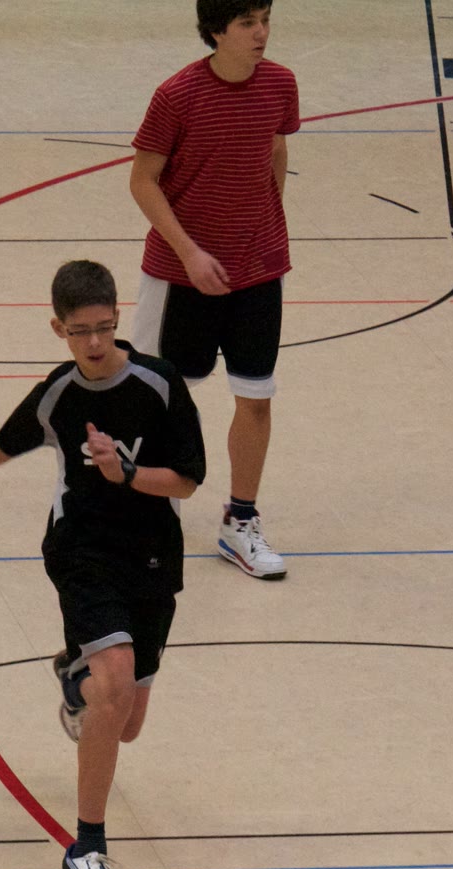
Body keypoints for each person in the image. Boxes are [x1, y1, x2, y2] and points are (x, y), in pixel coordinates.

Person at [0, 260, 204, 869]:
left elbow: (188, 482)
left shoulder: (160, 384)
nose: (94, 342)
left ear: (118, 317)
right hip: (82, 552)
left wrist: (127, 475)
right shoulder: (58, 394)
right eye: (80, 331)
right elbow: (0, 444)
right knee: (115, 681)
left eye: (104, 327)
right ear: (58, 328)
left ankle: (74, 673)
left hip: (151, 558)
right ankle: (87, 843)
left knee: (126, 722)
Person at [128, 0, 297, 580]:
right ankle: (154, 513)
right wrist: (190, 252)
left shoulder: (280, 83)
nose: (262, 32)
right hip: (181, 276)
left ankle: (240, 521)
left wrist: (263, 224)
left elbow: (276, 147)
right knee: (162, 397)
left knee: (256, 396)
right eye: (248, 22)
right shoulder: (177, 95)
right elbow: (142, 181)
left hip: (259, 271)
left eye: (266, 19)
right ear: (216, 30)